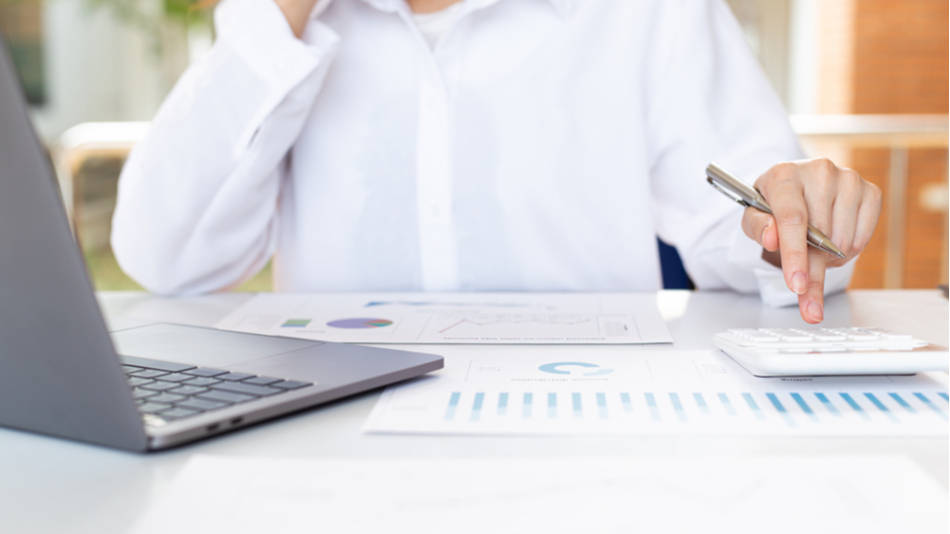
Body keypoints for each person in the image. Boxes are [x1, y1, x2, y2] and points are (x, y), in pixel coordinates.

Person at [111, 0, 881, 324]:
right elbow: (164, 257)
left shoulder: (648, 12)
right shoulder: (283, 23)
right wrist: (276, 18)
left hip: (589, 436)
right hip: (327, 450)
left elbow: (754, 234)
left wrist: (802, 217)